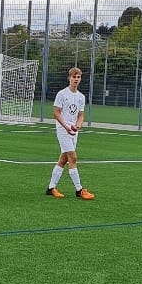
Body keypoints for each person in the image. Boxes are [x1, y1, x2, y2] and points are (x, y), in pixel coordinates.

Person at [46, 67, 95, 200]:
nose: (76, 79)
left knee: (63, 160)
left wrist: (77, 126)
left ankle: (51, 188)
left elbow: (81, 115)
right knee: (73, 158)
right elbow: (56, 113)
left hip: (73, 132)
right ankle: (79, 190)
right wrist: (66, 127)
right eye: (74, 77)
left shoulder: (81, 97)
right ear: (69, 78)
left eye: (78, 77)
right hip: (63, 130)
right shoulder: (62, 94)